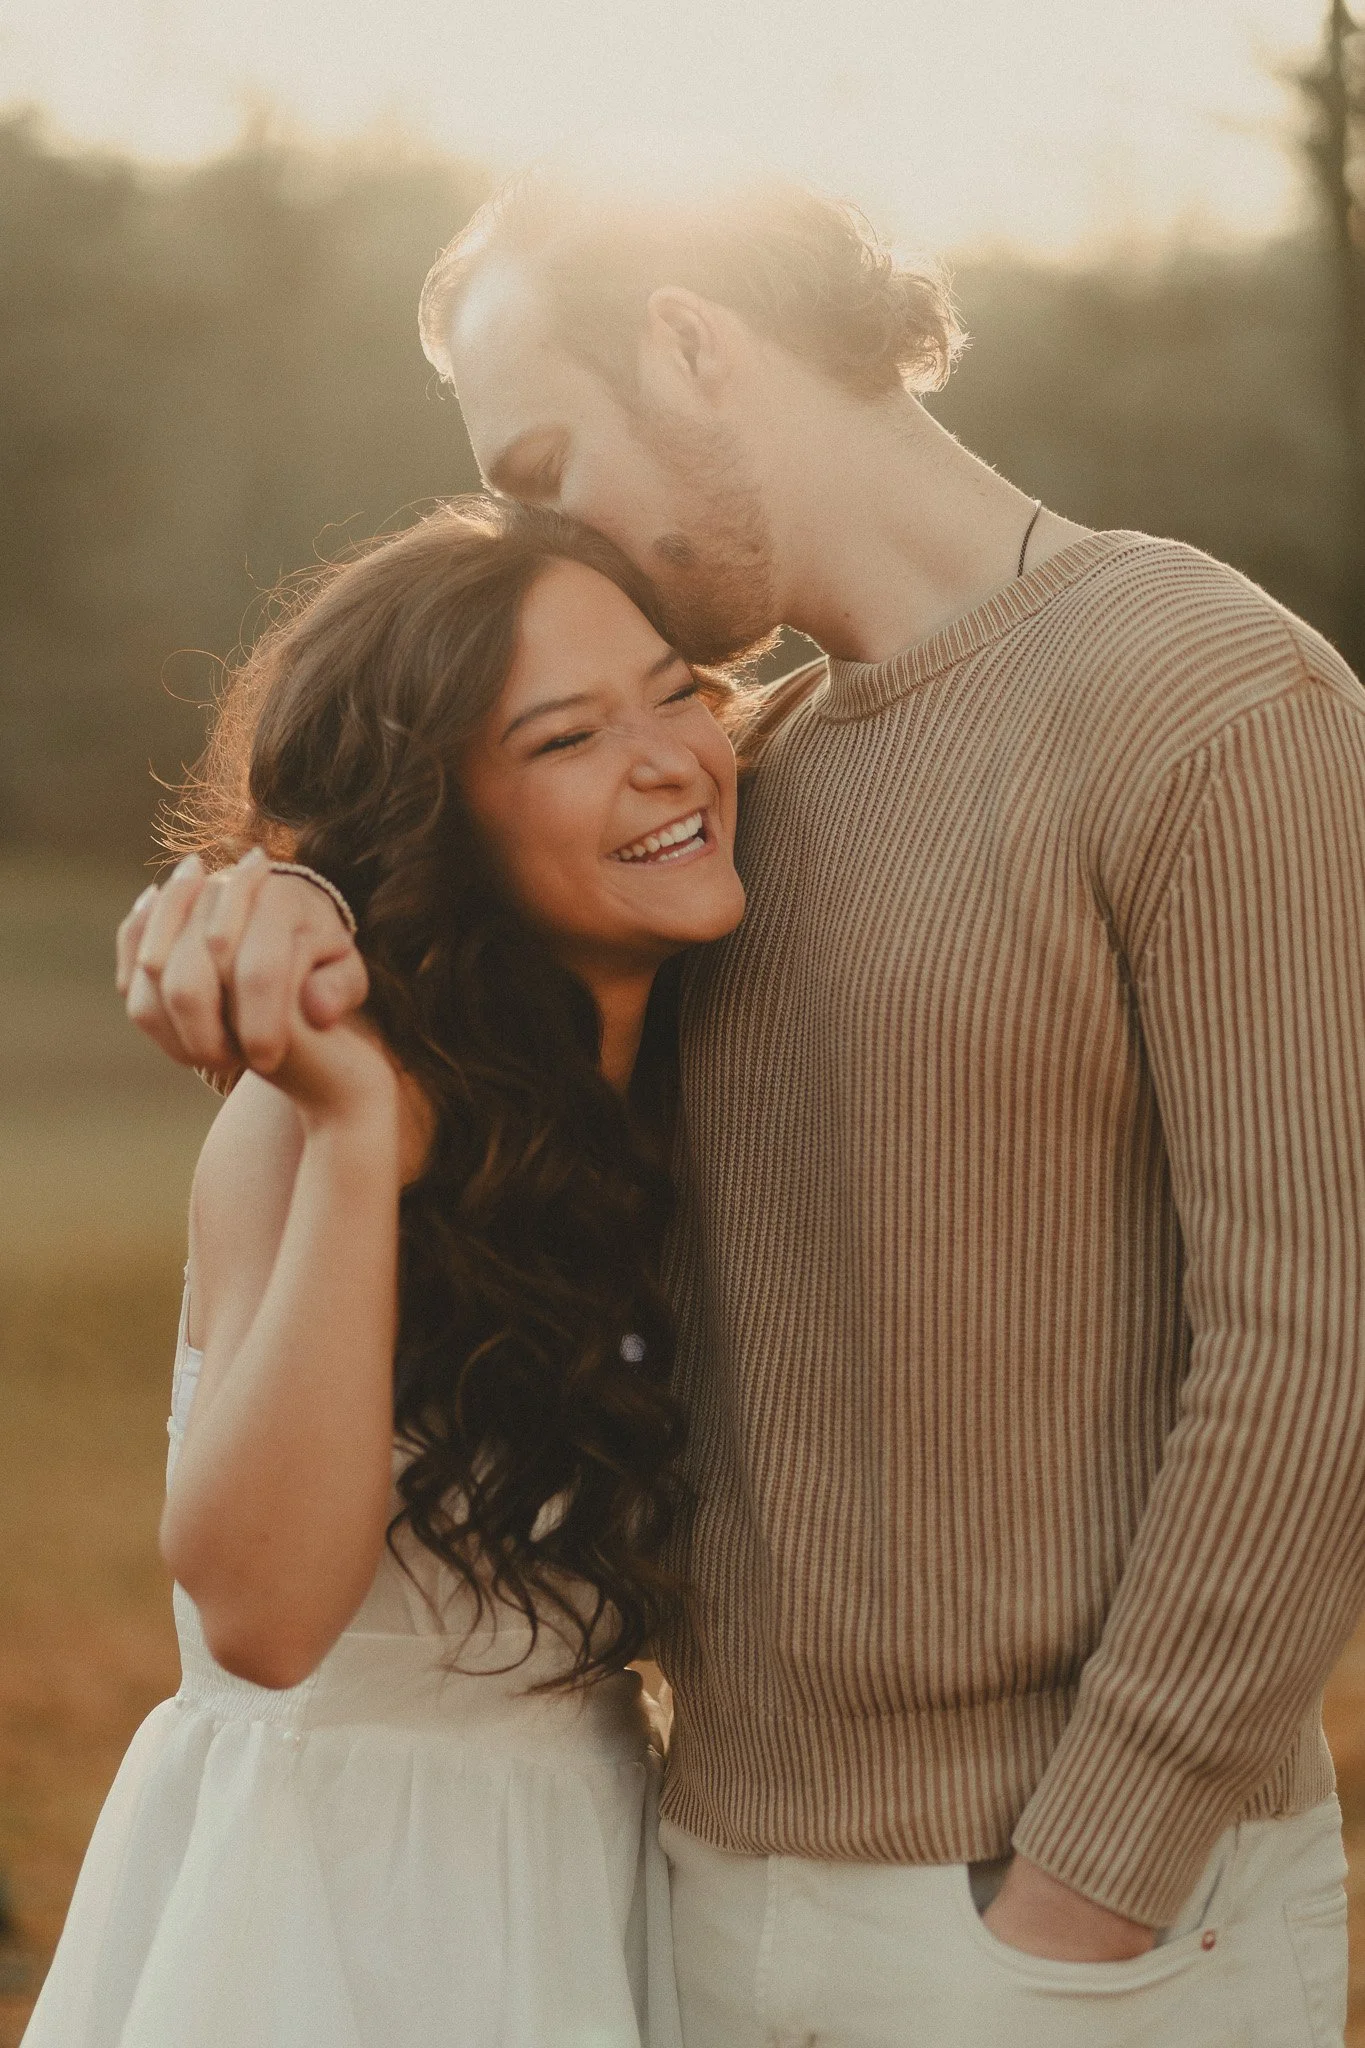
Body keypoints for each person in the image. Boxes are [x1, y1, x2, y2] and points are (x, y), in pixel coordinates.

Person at [125, 162, 1365, 2047]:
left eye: (544, 461)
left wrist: (1088, 1889)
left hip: (1061, 1931)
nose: (537, 530)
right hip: (688, 1903)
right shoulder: (746, 778)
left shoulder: (1207, 700)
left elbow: (1321, 1347)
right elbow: (461, 861)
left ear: (694, 348)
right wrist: (292, 895)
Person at [26, 497, 747, 2048]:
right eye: (563, 739)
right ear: (442, 815)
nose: (668, 758)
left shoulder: (695, 1072)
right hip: (342, 1913)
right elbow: (264, 1620)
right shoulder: (315, 1110)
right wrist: (362, 1139)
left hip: (595, 1873)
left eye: (677, 691)